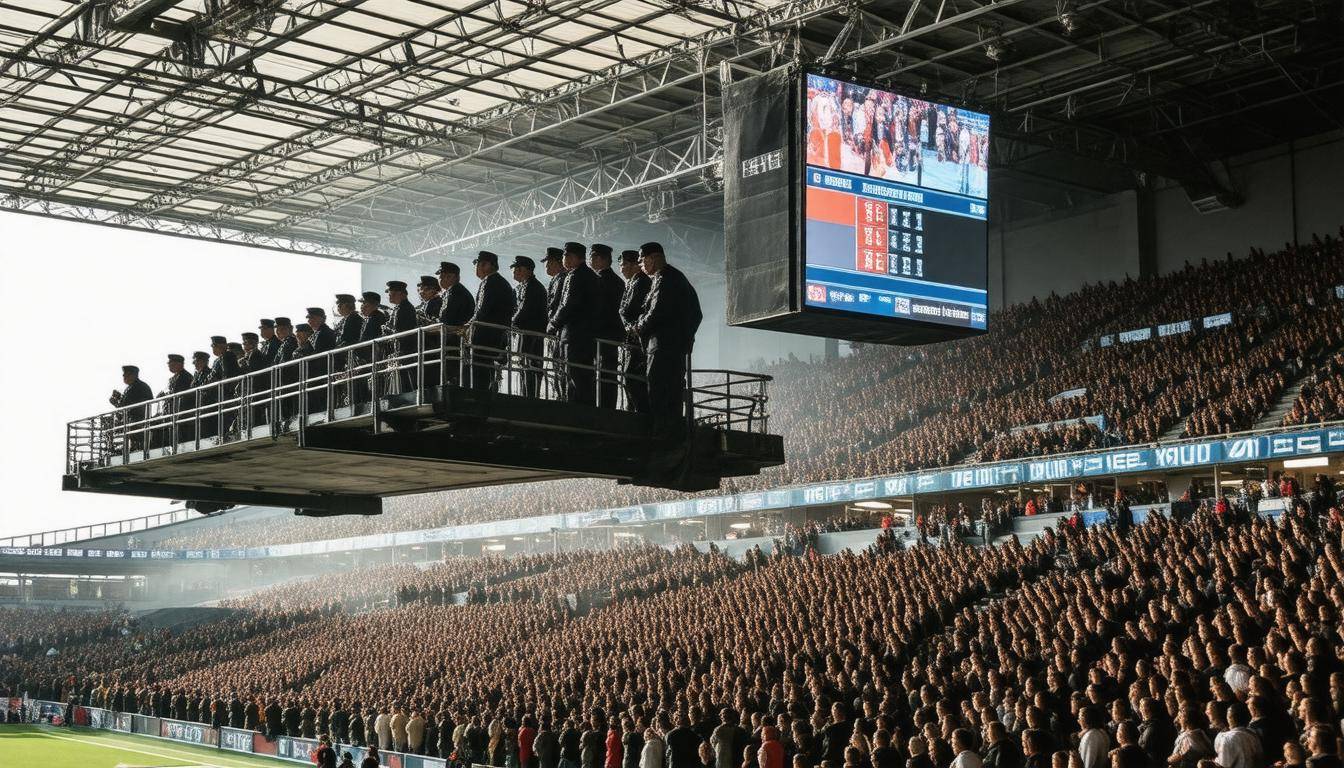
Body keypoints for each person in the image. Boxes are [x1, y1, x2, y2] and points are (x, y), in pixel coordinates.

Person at [625, 242, 701, 433]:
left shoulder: (666, 279)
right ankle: (667, 426)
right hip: (671, 344)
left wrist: (637, 328)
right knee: (670, 388)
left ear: (653, 258)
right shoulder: (672, 278)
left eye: (642, 261)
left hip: (663, 345)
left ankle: (661, 429)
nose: (641, 265)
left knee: (660, 386)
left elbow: (657, 311)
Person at [549, 241, 600, 406]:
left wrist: (553, 324)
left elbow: (568, 304)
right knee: (582, 377)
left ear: (578, 258)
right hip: (585, 334)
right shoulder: (590, 275)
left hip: (574, 334)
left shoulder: (575, 276)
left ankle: (577, 411)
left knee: (574, 376)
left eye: (567, 255)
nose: (564, 259)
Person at [468, 251, 516, 391]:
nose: (478, 268)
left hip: (487, 336)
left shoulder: (490, 282)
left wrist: (468, 326)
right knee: (486, 370)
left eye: (481, 264)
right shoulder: (498, 282)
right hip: (494, 336)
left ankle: (481, 396)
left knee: (480, 372)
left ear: (490, 265)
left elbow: (482, 311)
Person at [589, 243, 625, 408]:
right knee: (607, 373)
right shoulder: (616, 280)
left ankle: (604, 406)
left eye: (592, 257)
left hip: (603, 333)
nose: (589, 260)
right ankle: (606, 405)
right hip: (611, 332)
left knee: (604, 372)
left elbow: (599, 309)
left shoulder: (601, 280)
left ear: (600, 259)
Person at [617, 249, 651, 413]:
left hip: (637, 338)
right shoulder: (633, 282)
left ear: (633, 265)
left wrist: (629, 324)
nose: (621, 269)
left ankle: (640, 412)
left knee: (632, 378)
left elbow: (628, 309)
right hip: (632, 337)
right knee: (630, 378)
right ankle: (634, 409)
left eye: (623, 265)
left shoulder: (641, 283)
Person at [510, 256, 548, 398]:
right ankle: (526, 394)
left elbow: (525, 309)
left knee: (531, 365)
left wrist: (512, 323)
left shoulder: (533, 287)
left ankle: (531, 395)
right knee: (524, 364)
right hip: (525, 333)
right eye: (515, 269)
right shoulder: (524, 286)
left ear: (529, 270)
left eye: (518, 269)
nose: (515, 272)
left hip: (532, 332)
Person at [437, 261, 475, 386]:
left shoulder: (457, 292)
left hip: (456, 337)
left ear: (451, 277)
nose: (440, 280)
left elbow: (449, 316)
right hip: (452, 336)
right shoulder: (451, 292)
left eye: (442, 276)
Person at [382, 281, 417, 392]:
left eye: (392, 293)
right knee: (401, 377)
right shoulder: (398, 308)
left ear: (401, 294)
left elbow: (402, 330)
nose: (389, 296)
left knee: (407, 377)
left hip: (406, 349)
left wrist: (387, 329)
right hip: (400, 349)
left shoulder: (405, 308)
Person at [542, 247, 568, 399]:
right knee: (557, 364)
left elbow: (557, 304)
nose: (546, 266)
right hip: (556, 328)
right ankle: (560, 394)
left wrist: (552, 324)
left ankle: (562, 396)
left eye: (549, 262)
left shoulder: (562, 278)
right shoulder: (557, 278)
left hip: (559, 328)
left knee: (560, 365)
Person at [1213, 704, 1262, 768]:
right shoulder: (1253, 735)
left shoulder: (1227, 738)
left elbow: (1223, 765)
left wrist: (1215, 761)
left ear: (1230, 718)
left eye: (1228, 716)